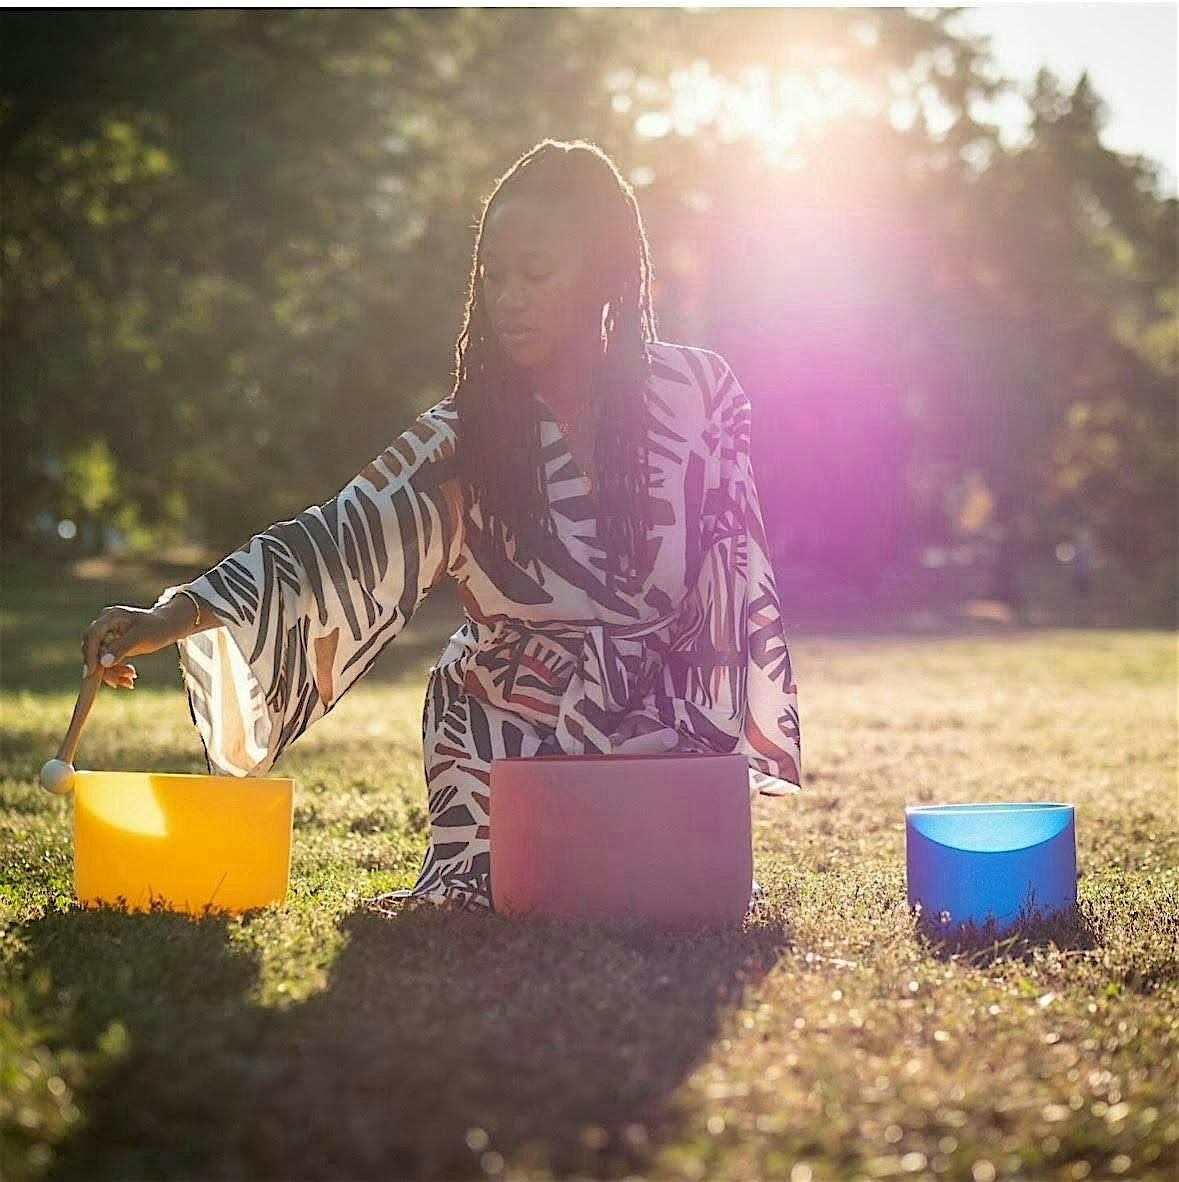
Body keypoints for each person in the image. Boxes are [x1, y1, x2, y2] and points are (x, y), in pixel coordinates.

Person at [79, 138, 803, 916]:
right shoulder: (463, 438)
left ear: (604, 275)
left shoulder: (699, 395)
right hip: (505, 734)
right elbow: (332, 543)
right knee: (509, 902)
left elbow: (733, 580)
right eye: (493, 276)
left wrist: (700, 733)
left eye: (534, 273)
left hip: (663, 729)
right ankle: (473, 867)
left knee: (677, 901)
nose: (508, 298)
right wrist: (171, 615)